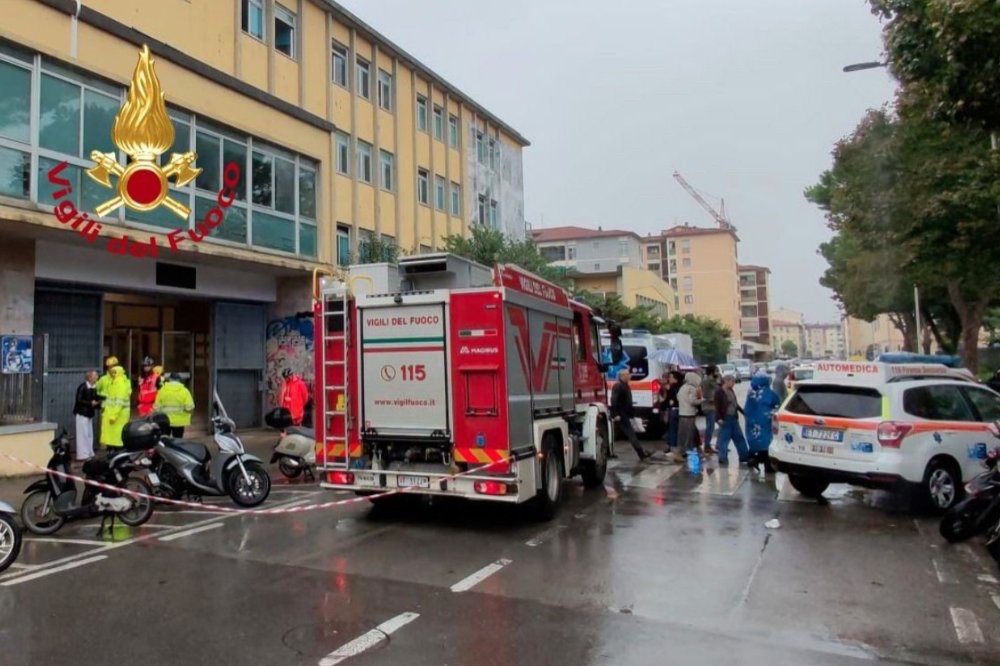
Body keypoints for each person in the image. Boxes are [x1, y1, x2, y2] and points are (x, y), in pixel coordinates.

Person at [610, 369, 653, 461]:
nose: (630, 376)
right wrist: (616, 414)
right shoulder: (619, 386)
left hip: (625, 414)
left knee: (627, 434)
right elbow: (614, 401)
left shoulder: (625, 386)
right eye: (628, 374)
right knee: (631, 434)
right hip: (621, 415)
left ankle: (641, 452)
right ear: (622, 376)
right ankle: (641, 453)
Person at [744, 372, 781, 474]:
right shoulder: (770, 393)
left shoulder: (751, 394)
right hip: (766, 422)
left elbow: (746, 409)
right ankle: (767, 465)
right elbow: (778, 405)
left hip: (752, 424)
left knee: (755, 441)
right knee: (767, 443)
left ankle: (753, 457)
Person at [714, 372, 749, 467]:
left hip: (733, 418)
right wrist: (718, 418)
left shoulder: (731, 391)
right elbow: (716, 407)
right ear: (726, 381)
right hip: (725, 418)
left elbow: (735, 404)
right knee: (724, 439)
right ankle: (722, 458)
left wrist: (743, 412)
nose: (733, 383)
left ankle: (744, 456)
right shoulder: (719, 392)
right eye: (732, 381)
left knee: (739, 438)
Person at [99, 366, 131, 450]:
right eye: (112, 372)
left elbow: (119, 403)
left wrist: (114, 415)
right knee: (112, 438)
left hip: (117, 417)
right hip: (111, 416)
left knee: (118, 438)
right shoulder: (112, 383)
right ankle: (111, 452)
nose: (112, 374)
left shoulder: (121, 384)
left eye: (114, 372)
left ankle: (119, 454)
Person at [155, 373, 195, 438]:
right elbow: (189, 407)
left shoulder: (162, 390)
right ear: (179, 380)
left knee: (165, 440)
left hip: (165, 421)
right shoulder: (184, 391)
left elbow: (156, 407)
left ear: (169, 380)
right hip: (179, 422)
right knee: (178, 441)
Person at [72, 370, 101, 460]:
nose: (97, 377)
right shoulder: (82, 387)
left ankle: (89, 451)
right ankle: (82, 454)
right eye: (95, 375)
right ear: (89, 378)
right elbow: (79, 400)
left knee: (89, 434)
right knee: (82, 434)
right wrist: (90, 403)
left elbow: (96, 398)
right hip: (82, 413)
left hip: (89, 414)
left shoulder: (94, 387)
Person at [674, 371, 702, 463]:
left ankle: (698, 449)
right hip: (689, 414)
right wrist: (701, 400)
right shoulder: (692, 388)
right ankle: (678, 453)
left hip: (682, 413)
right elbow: (692, 401)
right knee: (685, 435)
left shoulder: (682, 388)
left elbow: (678, 397)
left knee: (689, 433)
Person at [700, 365, 720, 456]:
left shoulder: (709, 380)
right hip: (709, 407)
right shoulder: (708, 381)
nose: (718, 373)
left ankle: (715, 445)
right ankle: (707, 446)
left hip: (711, 407)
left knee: (716, 426)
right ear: (712, 372)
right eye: (716, 371)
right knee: (710, 427)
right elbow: (714, 392)